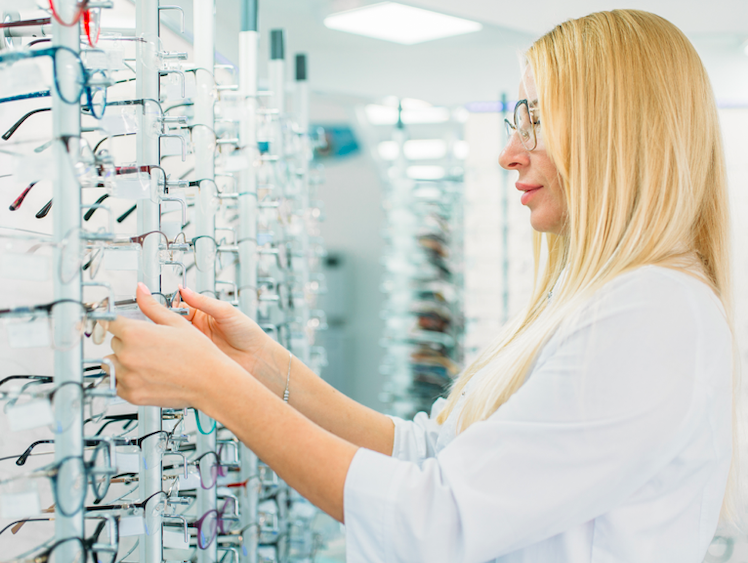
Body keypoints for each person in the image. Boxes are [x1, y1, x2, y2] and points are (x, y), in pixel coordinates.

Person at [104, 9, 740, 562]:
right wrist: (265, 368)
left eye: (535, 122)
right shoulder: (614, 301)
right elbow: (434, 454)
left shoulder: (653, 317)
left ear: (615, 133)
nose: (510, 152)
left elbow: (435, 520)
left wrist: (215, 390)